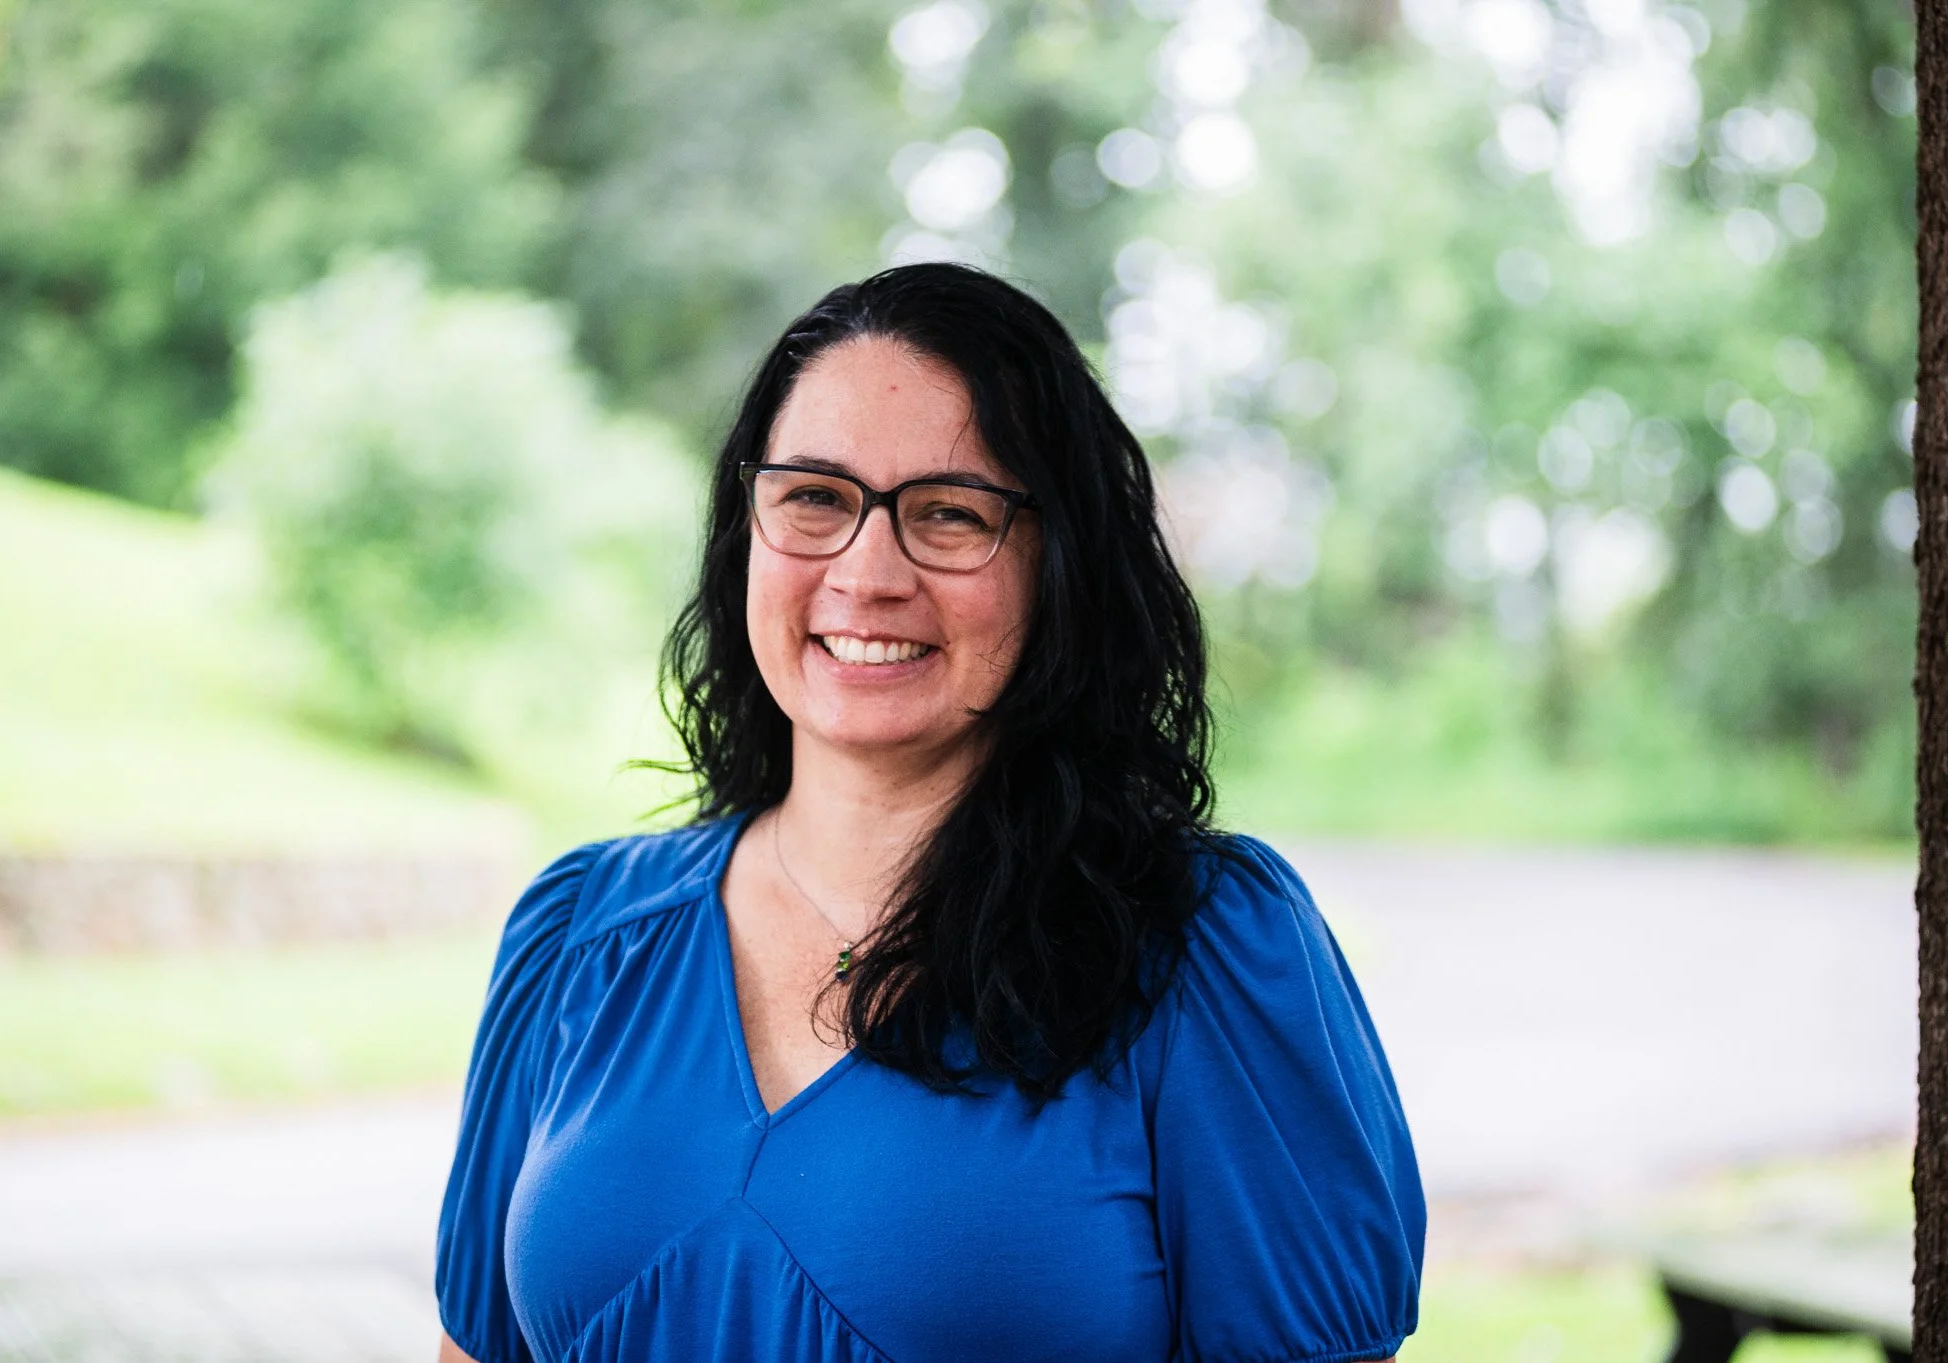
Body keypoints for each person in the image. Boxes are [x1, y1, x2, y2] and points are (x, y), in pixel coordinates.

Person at [434, 263, 1422, 1363]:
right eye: (813, 497)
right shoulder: (576, 933)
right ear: (745, 531)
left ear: (1060, 567)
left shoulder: (1208, 948)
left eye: (949, 515)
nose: (866, 571)